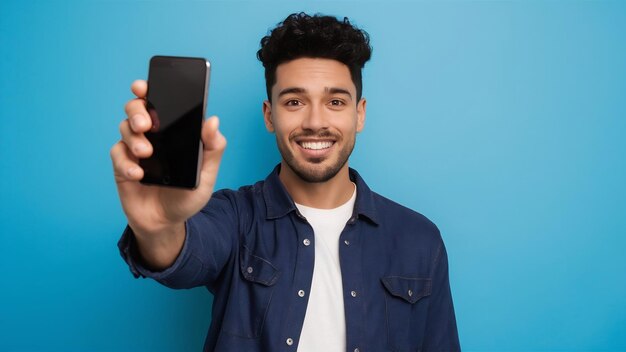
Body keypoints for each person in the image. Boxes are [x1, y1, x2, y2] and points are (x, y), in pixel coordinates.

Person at [111, 12, 460, 352]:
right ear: (269, 115)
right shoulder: (233, 217)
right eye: (294, 101)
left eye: (335, 101)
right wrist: (158, 227)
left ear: (359, 114)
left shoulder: (419, 239)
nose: (314, 121)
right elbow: (183, 258)